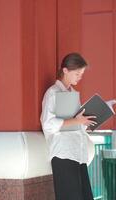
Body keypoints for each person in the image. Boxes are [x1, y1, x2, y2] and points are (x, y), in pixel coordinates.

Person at [40, 52, 96, 200]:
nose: (80, 77)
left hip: (79, 154)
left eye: (81, 74)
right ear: (65, 70)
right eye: (77, 73)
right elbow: (48, 124)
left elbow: (75, 124)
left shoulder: (73, 94)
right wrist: (77, 121)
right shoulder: (53, 93)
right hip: (63, 154)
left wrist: (85, 123)